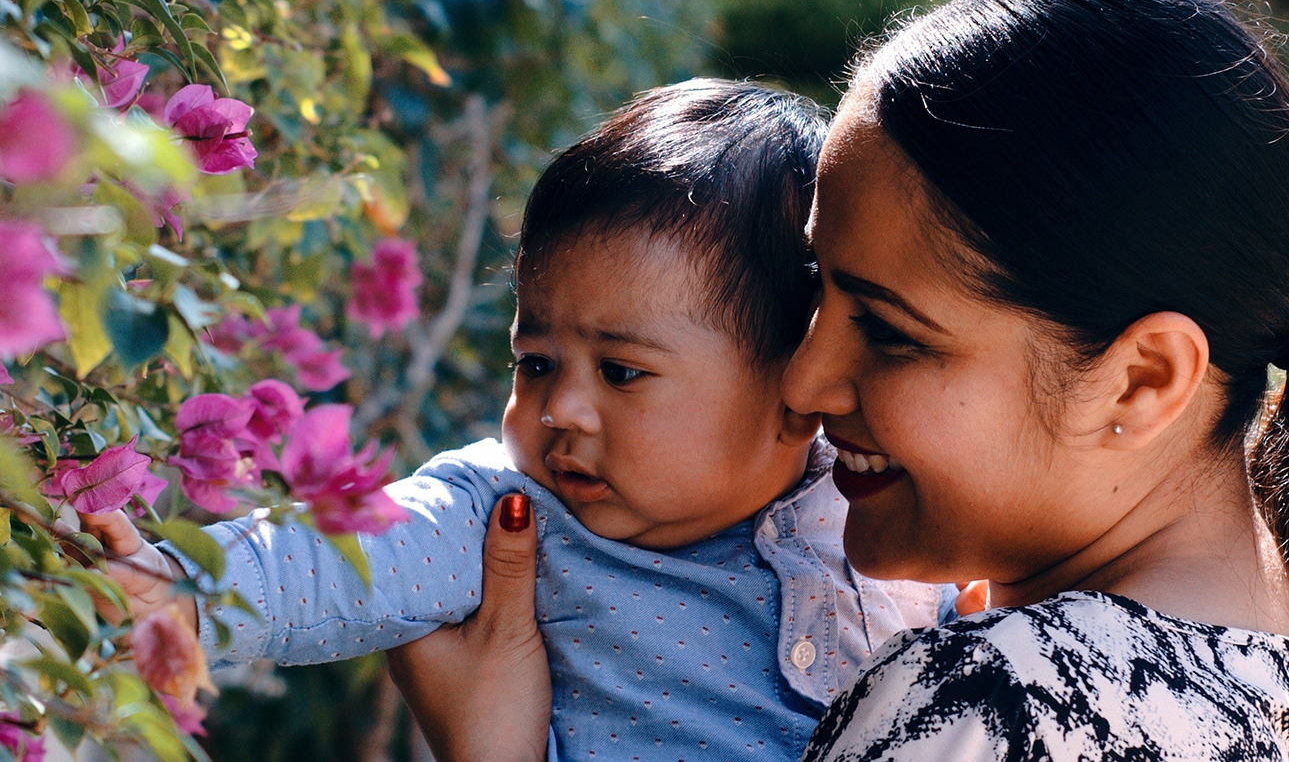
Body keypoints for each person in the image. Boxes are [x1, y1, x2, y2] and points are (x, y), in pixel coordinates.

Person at [395, 0, 1289, 759]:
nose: (799, 381)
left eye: (886, 330)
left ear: (1140, 378)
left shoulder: (989, 705)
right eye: (812, 293)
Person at [83, 78, 962, 762]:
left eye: (622, 372)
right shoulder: (509, 516)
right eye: (535, 362)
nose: (560, 410)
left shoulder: (881, 512)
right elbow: (357, 546)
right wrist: (186, 593)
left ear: (794, 383)